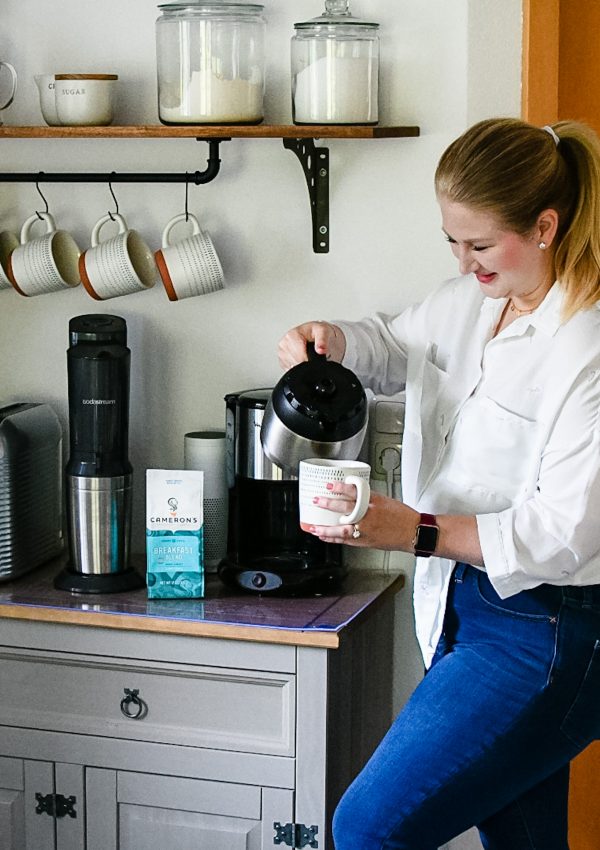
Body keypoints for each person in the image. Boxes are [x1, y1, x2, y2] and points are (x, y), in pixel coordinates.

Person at [277, 117, 600, 850]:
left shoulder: (587, 346)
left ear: (545, 226)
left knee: (368, 827)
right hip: (465, 603)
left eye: (480, 245)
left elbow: (558, 536)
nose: (462, 262)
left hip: (549, 626)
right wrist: (329, 340)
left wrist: (415, 530)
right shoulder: (471, 302)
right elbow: (390, 344)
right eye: (451, 241)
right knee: (526, 839)